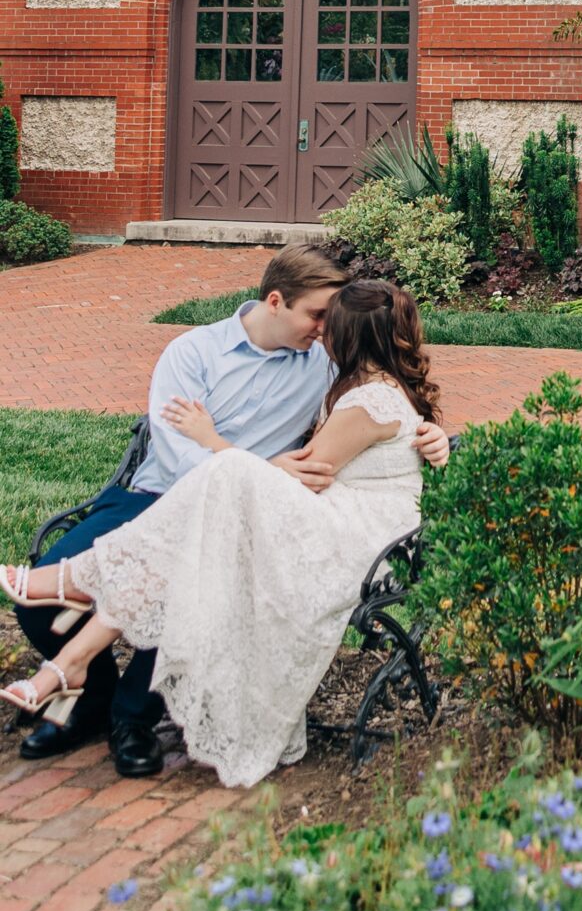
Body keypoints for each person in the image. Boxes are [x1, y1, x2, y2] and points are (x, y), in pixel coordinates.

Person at [6, 241, 448, 778]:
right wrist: (261, 468)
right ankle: (90, 696)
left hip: (242, 507)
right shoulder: (193, 353)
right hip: (153, 498)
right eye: (316, 315)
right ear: (277, 301)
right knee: (42, 607)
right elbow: (174, 452)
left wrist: (432, 434)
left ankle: (132, 719)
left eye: (332, 321)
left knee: (198, 582)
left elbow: (382, 410)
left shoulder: (325, 366)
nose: (323, 329)